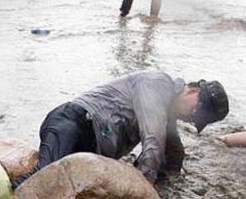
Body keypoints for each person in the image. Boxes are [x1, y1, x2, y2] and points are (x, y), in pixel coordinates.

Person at [12, 71, 229, 188]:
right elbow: (153, 139)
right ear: (193, 91)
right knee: (39, 180)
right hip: (74, 123)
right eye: (195, 112)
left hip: (92, 148)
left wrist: (168, 185)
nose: (191, 119)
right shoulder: (157, 84)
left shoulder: (168, 115)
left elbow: (173, 155)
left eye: (196, 120)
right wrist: (140, 191)